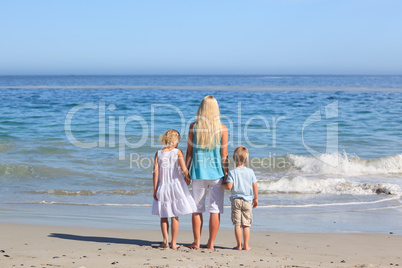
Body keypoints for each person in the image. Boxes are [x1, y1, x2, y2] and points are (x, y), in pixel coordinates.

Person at [186, 96, 229, 250]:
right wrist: (227, 174)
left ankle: (196, 242)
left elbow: (189, 153)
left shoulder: (193, 127)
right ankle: (210, 243)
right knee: (215, 210)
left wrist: (186, 171)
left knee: (197, 209)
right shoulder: (223, 129)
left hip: (197, 174)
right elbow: (224, 155)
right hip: (216, 174)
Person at [152, 129, 197, 249]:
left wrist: (155, 189)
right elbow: (184, 169)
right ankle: (174, 242)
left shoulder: (158, 153)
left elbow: (155, 173)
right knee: (174, 215)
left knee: (163, 215)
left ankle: (165, 241)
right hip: (175, 186)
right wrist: (188, 178)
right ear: (176, 140)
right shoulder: (177, 152)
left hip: (163, 186)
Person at [221, 146, 258, 251]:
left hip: (236, 201)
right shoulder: (250, 172)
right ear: (246, 160)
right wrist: (256, 199)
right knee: (246, 225)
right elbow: (255, 185)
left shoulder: (232, 172)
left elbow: (229, 186)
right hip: (247, 201)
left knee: (237, 224)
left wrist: (221, 186)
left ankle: (238, 245)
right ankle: (246, 245)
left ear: (234, 159)